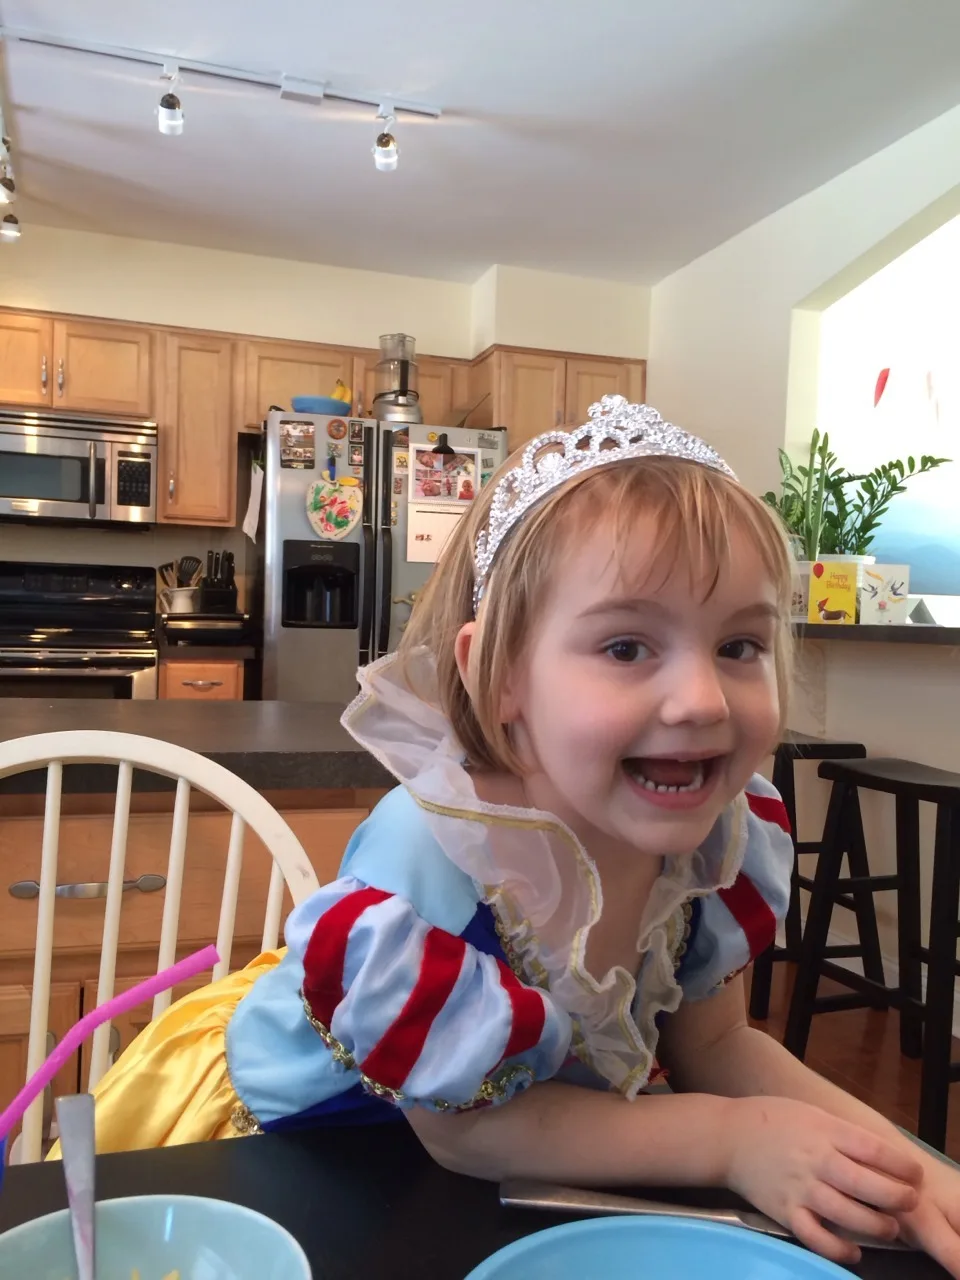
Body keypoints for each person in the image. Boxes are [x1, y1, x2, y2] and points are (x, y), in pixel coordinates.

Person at [72, 397, 960, 1274]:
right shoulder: (435, 858)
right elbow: (472, 1134)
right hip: (309, 1158)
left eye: (740, 646)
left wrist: (910, 1171)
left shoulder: (717, 842)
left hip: (520, 1172)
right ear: (497, 676)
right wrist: (735, 1141)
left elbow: (715, 1043)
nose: (703, 700)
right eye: (626, 647)